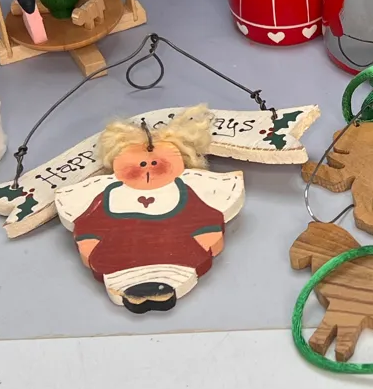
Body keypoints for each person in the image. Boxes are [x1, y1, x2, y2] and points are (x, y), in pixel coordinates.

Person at [58, 106, 245, 314]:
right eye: (139, 162)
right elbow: (91, 222)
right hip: (117, 260)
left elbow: (202, 215)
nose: (148, 166)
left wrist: (207, 236)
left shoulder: (185, 190)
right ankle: (131, 287)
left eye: (155, 162)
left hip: (177, 257)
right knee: (120, 270)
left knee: (173, 268)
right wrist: (89, 242)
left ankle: (164, 284)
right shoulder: (107, 194)